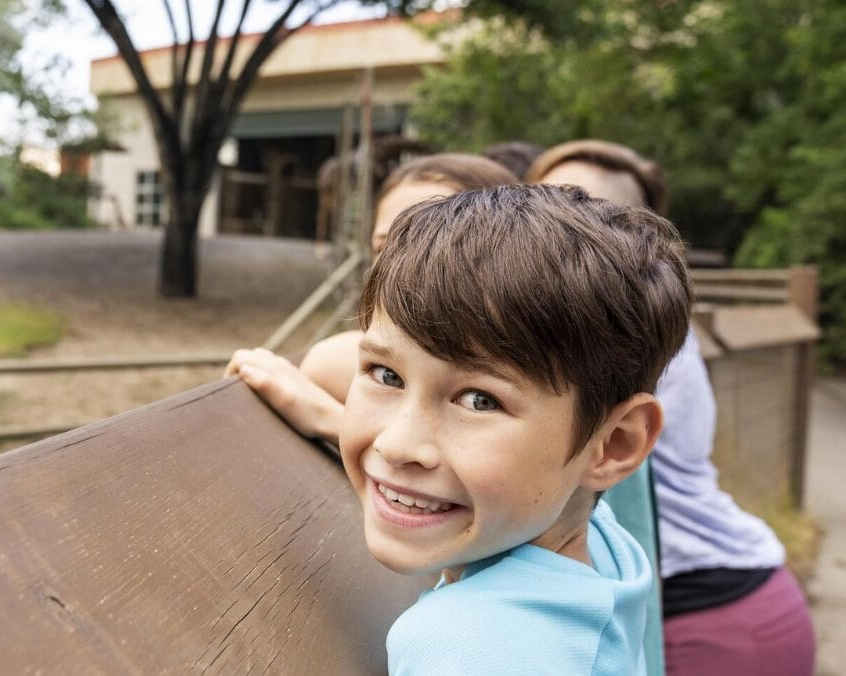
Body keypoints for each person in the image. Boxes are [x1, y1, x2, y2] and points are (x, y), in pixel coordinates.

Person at [232, 184, 691, 673]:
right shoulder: (602, 550)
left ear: (614, 444)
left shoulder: (461, 647)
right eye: (386, 375)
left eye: (479, 400)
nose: (397, 444)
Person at [528, 139, 815, 676]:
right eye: (544, 202)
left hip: (714, 620)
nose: (557, 224)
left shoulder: (623, 322)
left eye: (583, 207)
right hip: (735, 605)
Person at [298, 153, 518, 428]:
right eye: (385, 247)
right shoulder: (344, 358)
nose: (403, 266)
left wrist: (330, 422)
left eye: (436, 244)